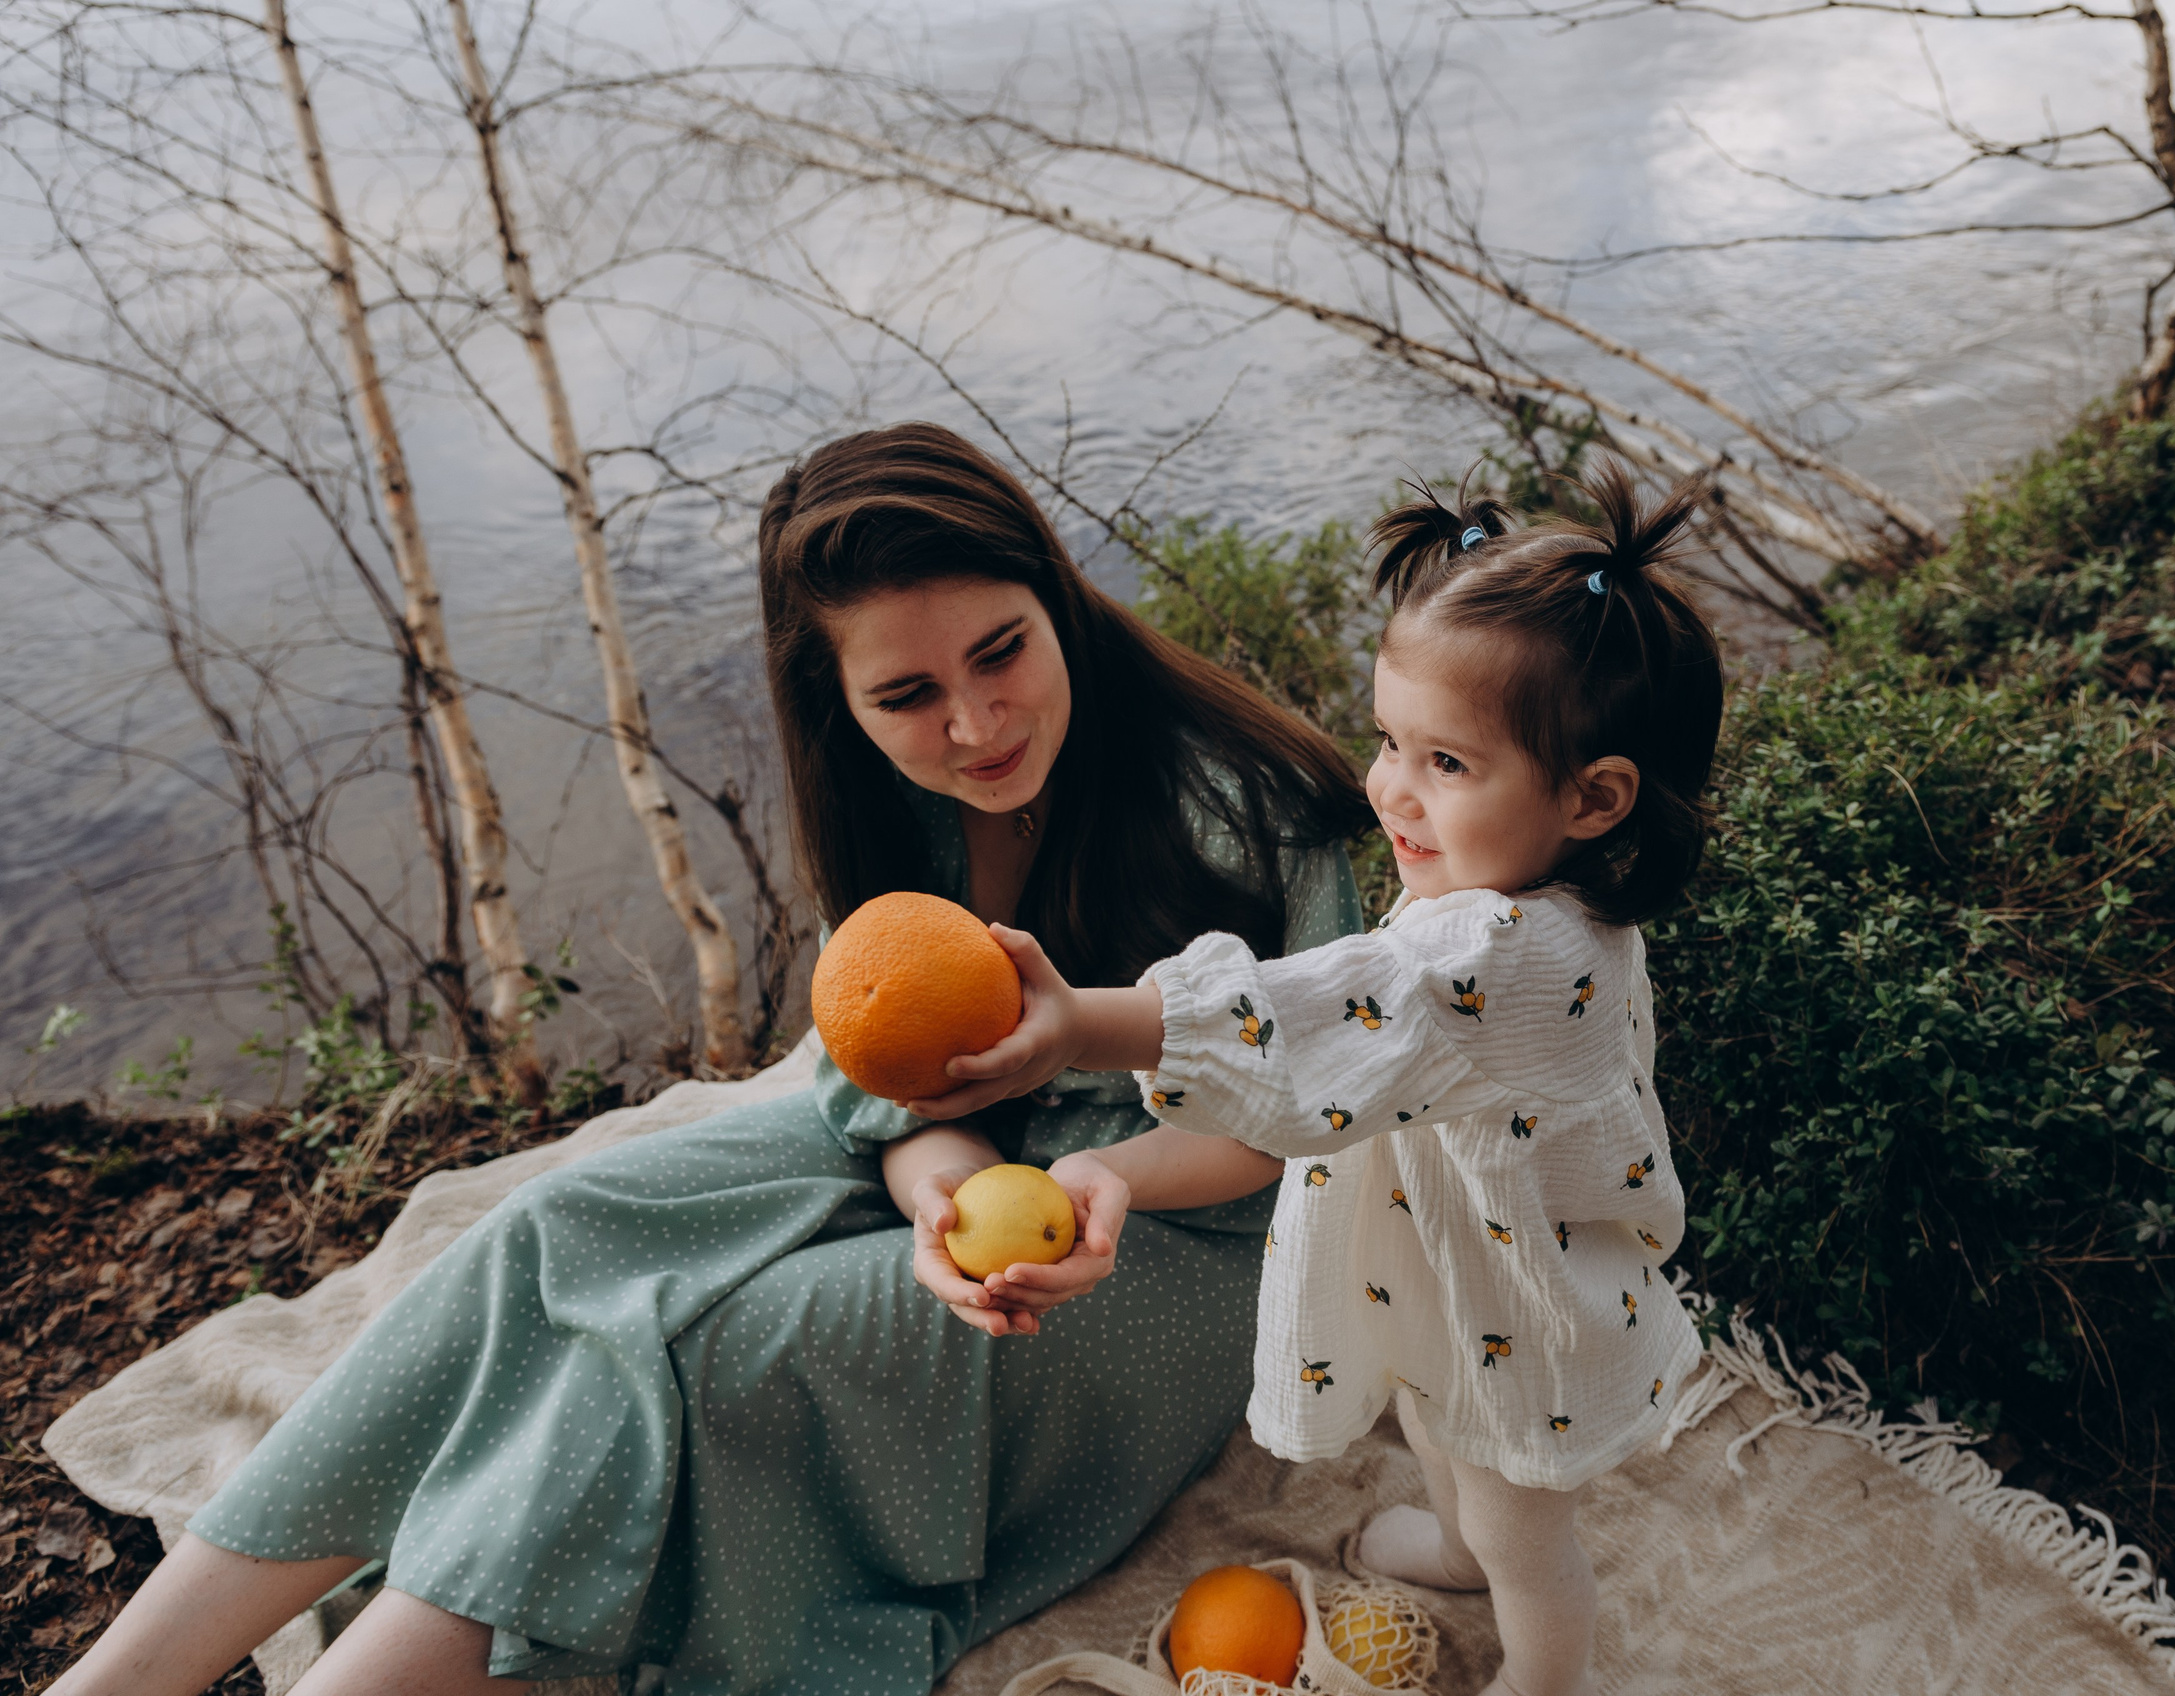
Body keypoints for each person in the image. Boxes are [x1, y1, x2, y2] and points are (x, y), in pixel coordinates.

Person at [51, 423, 1371, 1696]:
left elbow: (1281, 1122)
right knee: (560, 1226)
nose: (973, 726)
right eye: (906, 695)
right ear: (840, 703)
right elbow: (891, 1095)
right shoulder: (903, 808)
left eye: (1000, 654)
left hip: (1182, 1231)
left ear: (1057, 601)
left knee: (725, 1358)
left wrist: (1096, 1185)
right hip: (972, 1167)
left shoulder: (1244, 804)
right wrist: (938, 1196)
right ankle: (118, 1682)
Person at [913, 462, 1725, 1696]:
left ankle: (1547, 1671)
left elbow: (1314, 1015)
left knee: (1521, 1520)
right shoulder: (1512, 877)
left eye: (1446, 762)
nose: (1392, 785)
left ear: (1593, 798)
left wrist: (1083, 1019)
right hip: (1454, 1254)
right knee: (1432, 1419)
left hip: (1522, 1290)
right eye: (1390, 738)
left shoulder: (1513, 947)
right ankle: (1452, 1537)